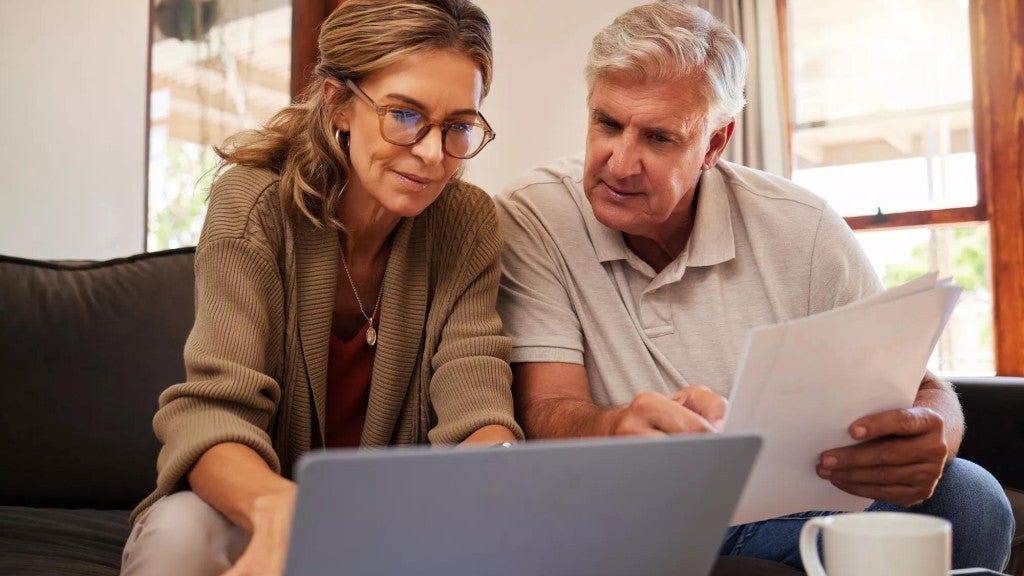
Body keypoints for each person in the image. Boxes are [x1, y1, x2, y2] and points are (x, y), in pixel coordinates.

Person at [494, 1, 1013, 572]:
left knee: (972, 497)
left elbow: (922, 388)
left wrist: (936, 434)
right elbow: (546, 408)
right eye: (608, 124)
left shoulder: (803, 226)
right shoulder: (534, 216)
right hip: (639, 517)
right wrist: (614, 429)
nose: (619, 164)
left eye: (660, 138)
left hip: (801, 508)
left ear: (715, 145)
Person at [121, 1, 522, 574]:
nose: (434, 155)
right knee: (182, 533)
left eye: (457, 126)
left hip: (397, 521)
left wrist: (500, 471)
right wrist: (280, 509)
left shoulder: (467, 223)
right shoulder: (254, 203)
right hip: (256, 509)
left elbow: (476, 402)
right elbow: (214, 416)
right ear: (338, 104)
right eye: (404, 115)